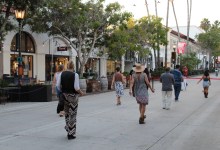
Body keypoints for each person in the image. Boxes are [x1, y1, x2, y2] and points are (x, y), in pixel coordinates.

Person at [57, 60, 84, 140]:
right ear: (73, 67)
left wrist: (62, 92)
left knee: (67, 113)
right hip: (73, 97)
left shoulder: (61, 74)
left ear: (67, 66)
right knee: (73, 114)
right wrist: (81, 92)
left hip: (64, 96)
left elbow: (58, 86)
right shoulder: (75, 75)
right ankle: (71, 134)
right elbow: (76, 88)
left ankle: (68, 128)